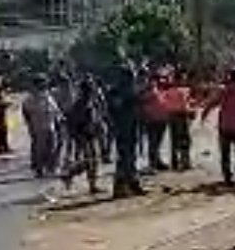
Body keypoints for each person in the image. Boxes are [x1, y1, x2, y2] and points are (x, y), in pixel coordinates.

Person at [204, 68, 235, 186]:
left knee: (225, 153)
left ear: (230, 77)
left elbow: (213, 103)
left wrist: (204, 114)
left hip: (225, 126)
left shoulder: (224, 90)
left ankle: (227, 176)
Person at [106, 63, 144, 199]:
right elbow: (115, 108)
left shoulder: (128, 90)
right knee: (123, 158)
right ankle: (121, 188)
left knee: (131, 157)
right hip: (123, 128)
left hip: (131, 126)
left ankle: (132, 184)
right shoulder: (115, 91)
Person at [62, 76, 104, 195]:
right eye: (89, 88)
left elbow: (95, 119)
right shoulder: (81, 104)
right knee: (90, 161)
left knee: (92, 161)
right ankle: (74, 176)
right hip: (83, 135)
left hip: (89, 134)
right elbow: (73, 122)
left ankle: (74, 176)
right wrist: (78, 136)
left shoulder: (90, 102)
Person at [20, 77, 62, 178]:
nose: (44, 85)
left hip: (50, 125)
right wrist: (30, 126)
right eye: (41, 83)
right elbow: (25, 112)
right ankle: (39, 169)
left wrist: (59, 120)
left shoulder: (48, 96)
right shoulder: (30, 98)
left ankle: (51, 167)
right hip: (38, 127)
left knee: (52, 147)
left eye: (44, 83)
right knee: (40, 149)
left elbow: (55, 110)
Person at [162, 71, 194, 171]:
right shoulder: (183, 91)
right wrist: (191, 112)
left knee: (174, 140)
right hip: (181, 116)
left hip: (171, 116)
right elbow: (184, 105)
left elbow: (165, 104)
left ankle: (174, 162)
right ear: (179, 79)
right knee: (184, 139)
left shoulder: (168, 92)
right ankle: (185, 162)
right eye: (183, 78)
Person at [141, 73, 169, 173]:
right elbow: (142, 101)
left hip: (162, 119)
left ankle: (157, 161)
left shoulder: (160, 88)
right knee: (153, 143)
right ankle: (152, 164)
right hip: (152, 120)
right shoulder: (146, 90)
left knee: (158, 142)